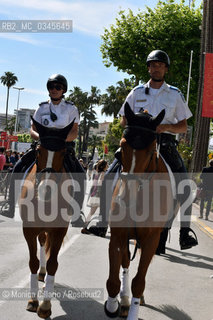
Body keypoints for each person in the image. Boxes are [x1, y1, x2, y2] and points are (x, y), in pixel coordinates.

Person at [88, 50, 198, 251]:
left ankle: (185, 232)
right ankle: (102, 222)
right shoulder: (136, 92)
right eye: (153, 65)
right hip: (137, 142)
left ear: (166, 69)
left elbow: (182, 126)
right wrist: (137, 121)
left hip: (163, 143)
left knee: (185, 185)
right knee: (110, 176)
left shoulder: (175, 94)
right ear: (148, 68)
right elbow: (123, 120)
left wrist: (165, 127)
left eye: (160, 65)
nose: (156, 68)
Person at [1, 74, 85, 224]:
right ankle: (10, 205)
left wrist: (62, 139)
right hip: (43, 146)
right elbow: (32, 129)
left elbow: (74, 131)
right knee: (18, 167)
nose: (54, 90)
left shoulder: (71, 108)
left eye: (58, 87)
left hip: (62, 148)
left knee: (80, 174)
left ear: (63, 90)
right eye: (51, 87)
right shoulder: (42, 107)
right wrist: (40, 137)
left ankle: (77, 214)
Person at [81, 159, 108, 234]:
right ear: (104, 166)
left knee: (92, 212)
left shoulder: (96, 173)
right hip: (98, 195)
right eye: (107, 165)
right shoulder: (102, 173)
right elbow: (100, 183)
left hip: (94, 194)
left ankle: (85, 226)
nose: (108, 166)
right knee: (96, 212)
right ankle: (85, 227)